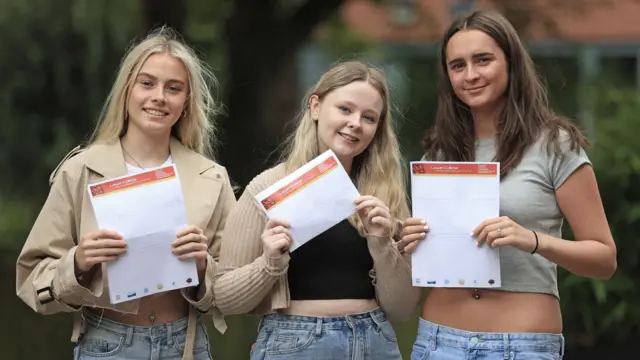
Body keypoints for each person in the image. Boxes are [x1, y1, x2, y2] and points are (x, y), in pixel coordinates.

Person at [399, 10, 617, 360]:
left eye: (483, 60)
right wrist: (409, 241)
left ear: (511, 63)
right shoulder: (439, 152)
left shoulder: (555, 145)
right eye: (457, 65)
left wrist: (531, 239)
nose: (470, 75)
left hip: (522, 346)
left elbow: (604, 259)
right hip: (439, 342)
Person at [15, 28, 236, 360]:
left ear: (186, 103)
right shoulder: (80, 171)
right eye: (147, 83)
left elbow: (237, 286)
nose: (159, 96)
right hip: (106, 344)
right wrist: (78, 262)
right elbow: (32, 280)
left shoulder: (212, 178)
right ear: (126, 91)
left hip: (187, 345)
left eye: (173, 88)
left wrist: (204, 266)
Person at [213, 61, 420, 360]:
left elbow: (402, 307)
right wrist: (269, 262)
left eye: (369, 117)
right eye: (345, 109)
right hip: (295, 342)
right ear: (315, 106)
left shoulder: (385, 194)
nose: (355, 123)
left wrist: (381, 243)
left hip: (375, 341)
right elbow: (225, 298)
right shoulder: (269, 187)